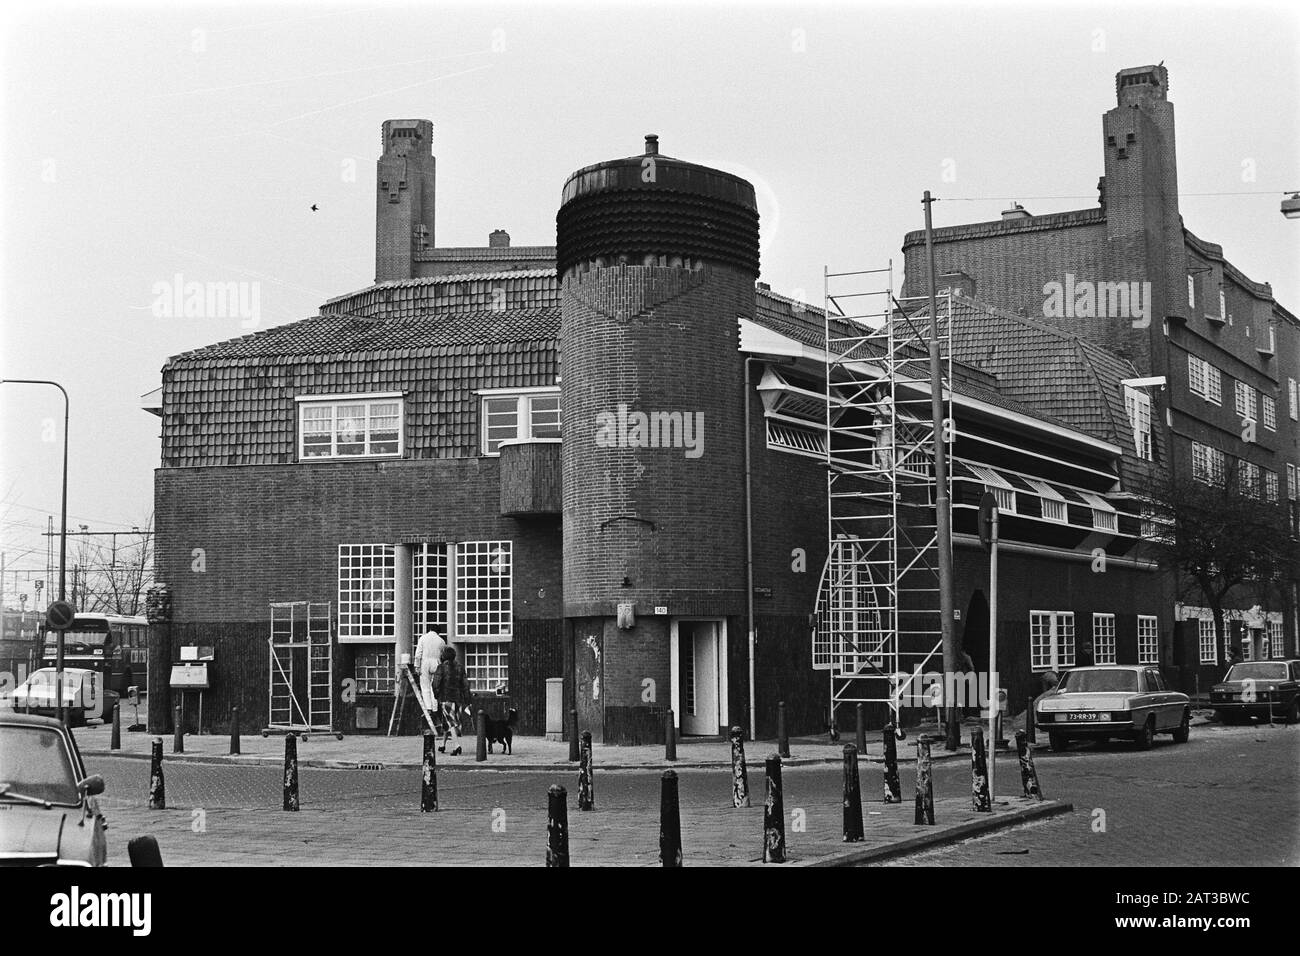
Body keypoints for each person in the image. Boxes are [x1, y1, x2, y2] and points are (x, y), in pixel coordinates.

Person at [433, 645, 472, 756]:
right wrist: (467, 700)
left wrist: (437, 695)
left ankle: (456, 746)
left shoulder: (441, 667)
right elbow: (465, 685)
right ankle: (443, 745)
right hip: (458, 699)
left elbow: (435, 684)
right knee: (448, 721)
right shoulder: (460, 667)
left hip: (446, 698)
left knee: (451, 723)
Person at [413, 629, 446, 718]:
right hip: (437, 662)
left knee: (425, 687)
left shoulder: (423, 638)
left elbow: (418, 653)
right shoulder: (441, 641)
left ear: (430, 630)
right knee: (435, 687)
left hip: (425, 662)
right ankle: (435, 708)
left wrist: (417, 666)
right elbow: (443, 655)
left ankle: (428, 708)